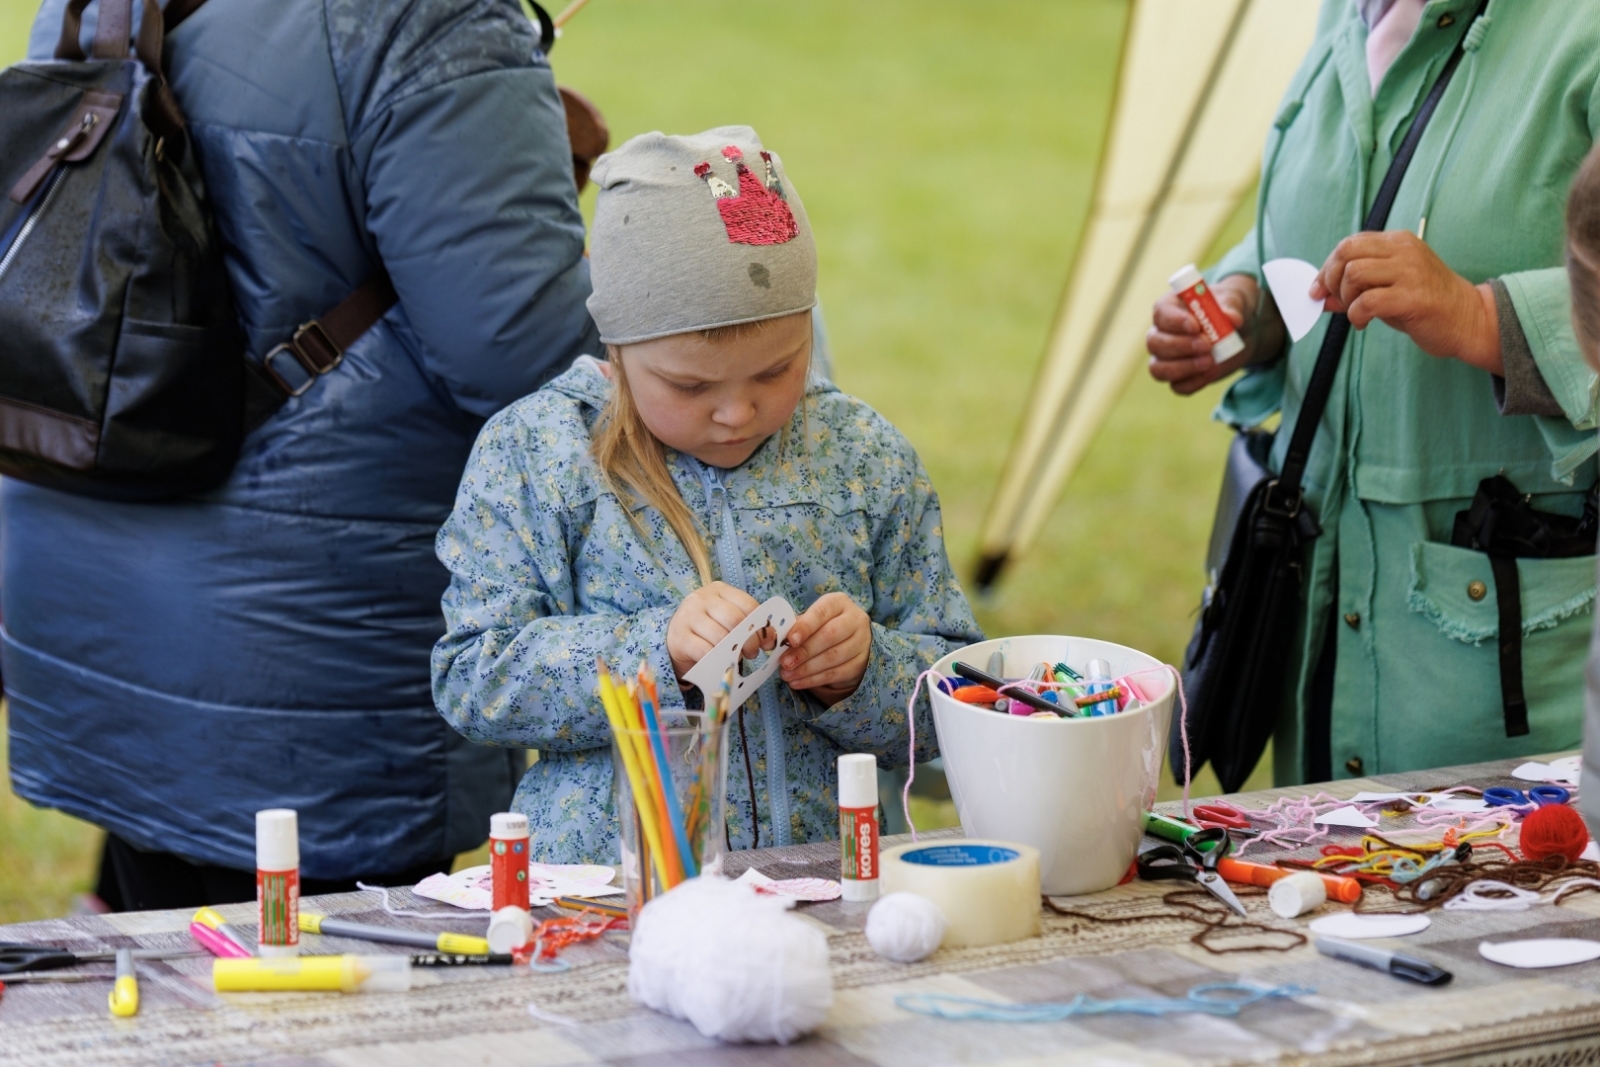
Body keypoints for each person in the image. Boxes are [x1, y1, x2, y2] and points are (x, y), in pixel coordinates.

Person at [5, 0, 598, 908]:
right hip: (310, 655)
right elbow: (524, 360)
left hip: (90, 572)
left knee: (163, 978)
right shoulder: (435, 23)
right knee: (322, 1011)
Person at [432, 127, 982, 862]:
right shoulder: (538, 455)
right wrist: (654, 651)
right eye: (690, 385)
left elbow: (965, 704)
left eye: (778, 370)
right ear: (617, 347)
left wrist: (865, 670)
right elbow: (475, 676)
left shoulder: (861, 458)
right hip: (610, 896)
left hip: (826, 887)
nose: (737, 413)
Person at [1146, 0, 1600, 784]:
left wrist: (1478, 315)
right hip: (1322, 645)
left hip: (1505, 710)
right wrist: (1249, 302)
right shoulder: (1348, 12)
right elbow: (1337, 210)